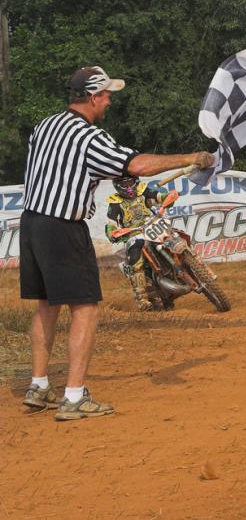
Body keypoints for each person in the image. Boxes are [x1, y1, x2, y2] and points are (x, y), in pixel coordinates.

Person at [21, 66, 214, 421]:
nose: (110, 100)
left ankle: (39, 386)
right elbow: (136, 166)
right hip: (64, 225)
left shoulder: (45, 126)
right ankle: (75, 398)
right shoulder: (90, 137)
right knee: (86, 308)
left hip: (32, 222)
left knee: (46, 305)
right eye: (107, 94)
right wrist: (191, 157)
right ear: (93, 96)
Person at [104, 176, 172, 311]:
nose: (129, 187)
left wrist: (167, 197)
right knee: (135, 258)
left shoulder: (143, 191)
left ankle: (194, 265)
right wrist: (112, 232)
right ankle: (142, 298)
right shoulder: (115, 202)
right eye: (125, 184)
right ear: (117, 185)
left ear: (135, 182)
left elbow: (157, 196)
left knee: (174, 236)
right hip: (134, 233)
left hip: (153, 225)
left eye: (130, 182)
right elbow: (111, 223)